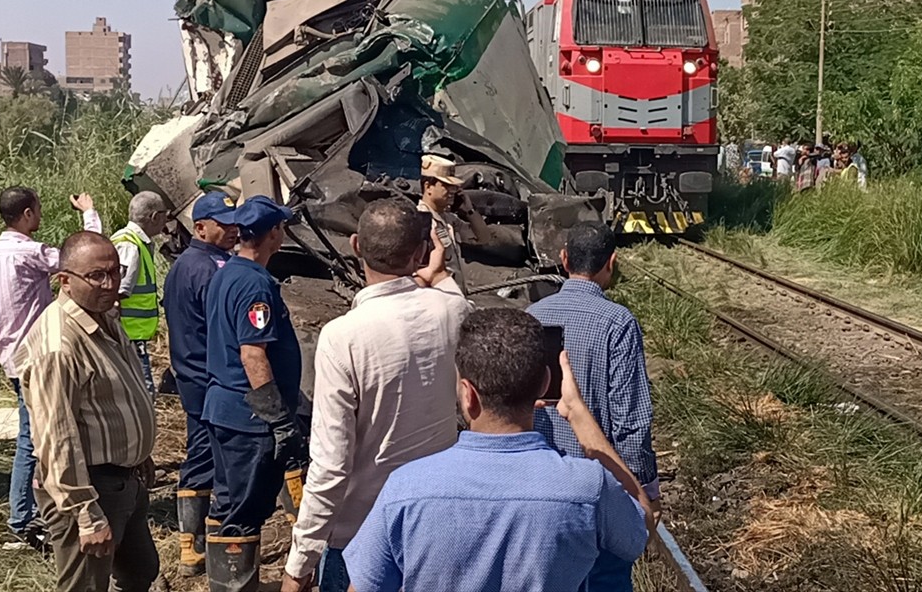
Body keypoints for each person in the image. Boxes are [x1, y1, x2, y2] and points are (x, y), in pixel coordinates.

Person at [341, 308, 652, 592]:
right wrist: (578, 415)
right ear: (545, 384)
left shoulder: (406, 489)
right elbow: (643, 524)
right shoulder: (587, 487)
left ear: (468, 394)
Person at [282, 198, 471, 592]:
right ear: (420, 252)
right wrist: (437, 270)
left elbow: (331, 466)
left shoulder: (342, 336)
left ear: (355, 245)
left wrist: (300, 563)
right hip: (433, 526)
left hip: (359, 537)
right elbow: (450, 295)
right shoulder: (451, 311)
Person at [16, 232, 158, 592]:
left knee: (140, 570)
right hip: (89, 488)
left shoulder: (103, 317)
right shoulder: (58, 345)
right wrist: (85, 512)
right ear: (65, 280)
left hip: (124, 479)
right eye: (97, 275)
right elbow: (56, 437)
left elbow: (119, 394)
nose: (110, 283)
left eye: (115, 272)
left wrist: (139, 453)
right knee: (84, 587)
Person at [0, 186, 101, 544]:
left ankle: (41, 505)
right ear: (27, 214)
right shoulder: (31, 253)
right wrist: (88, 214)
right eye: (37, 210)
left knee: (37, 431)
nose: (39, 216)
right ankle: (23, 516)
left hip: (9, 356)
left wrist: (6, 309)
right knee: (35, 437)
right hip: (38, 354)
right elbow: (86, 263)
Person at [529, 222, 658, 592]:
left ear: (564, 259)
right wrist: (644, 492)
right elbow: (630, 422)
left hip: (541, 489)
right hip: (599, 492)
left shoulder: (533, 314)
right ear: (611, 263)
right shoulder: (618, 323)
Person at [202, 196, 305, 592]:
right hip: (248, 418)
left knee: (227, 504)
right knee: (245, 511)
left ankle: (223, 583)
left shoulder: (227, 273)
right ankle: (236, 584)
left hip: (224, 409)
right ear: (274, 233)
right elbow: (252, 353)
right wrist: (278, 418)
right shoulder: (254, 284)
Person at [161, 191, 240, 577]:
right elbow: (222, 325)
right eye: (223, 225)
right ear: (200, 227)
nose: (231, 231)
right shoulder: (204, 268)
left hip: (198, 375)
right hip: (205, 377)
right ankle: (191, 545)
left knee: (209, 453)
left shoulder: (196, 262)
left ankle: (201, 542)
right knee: (206, 455)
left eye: (234, 224)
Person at [110, 190, 169, 397]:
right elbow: (116, 294)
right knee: (143, 393)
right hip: (129, 335)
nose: (166, 219)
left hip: (132, 334)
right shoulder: (129, 245)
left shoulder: (133, 241)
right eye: (164, 214)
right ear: (154, 217)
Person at [417, 154, 491, 294]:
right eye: (446, 185)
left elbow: (484, 237)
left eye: (454, 187)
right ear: (428, 187)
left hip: (455, 294)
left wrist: (469, 210)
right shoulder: (421, 222)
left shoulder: (449, 220)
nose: (452, 191)